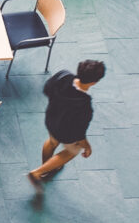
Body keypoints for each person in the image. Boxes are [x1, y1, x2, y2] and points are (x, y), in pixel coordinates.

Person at [28, 60, 106, 195]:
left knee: (52, 142)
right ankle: (38, 173)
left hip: (51, 120)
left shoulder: (63, 76)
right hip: (66, 133)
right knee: (71, 151)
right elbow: (79, 133)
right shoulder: (85, 105)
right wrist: (87, 146)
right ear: (94, 82)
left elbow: (47, 89)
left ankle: (47, 168)